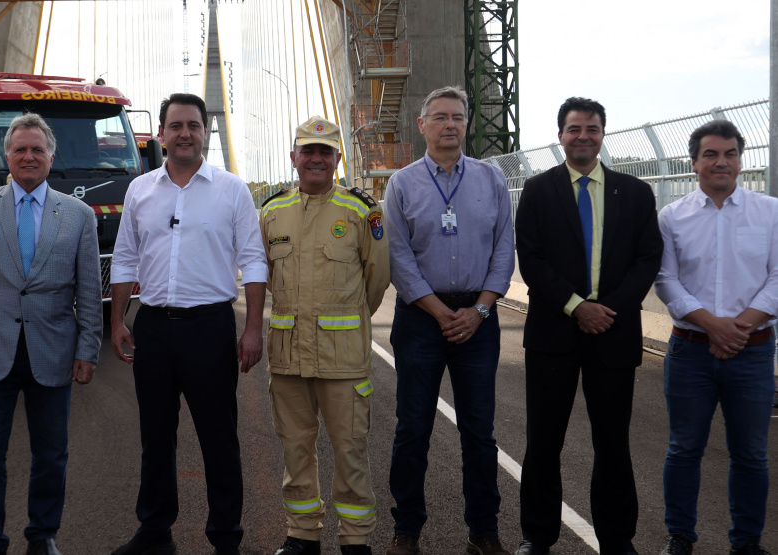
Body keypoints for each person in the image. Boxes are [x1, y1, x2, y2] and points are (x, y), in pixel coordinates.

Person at [108, 93, 267, 555]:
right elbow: (124, 258)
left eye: (193, 125)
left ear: (205, 133)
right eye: (175, 125)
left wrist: (252, 328)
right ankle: (155, 532)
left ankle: (225, 539)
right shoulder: (139, 190)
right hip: (154, 327)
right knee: (156, 438)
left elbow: (254, 261)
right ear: (160, 134)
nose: (184, 133)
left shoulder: (232, 189)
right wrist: (119, 319)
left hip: (209, 328)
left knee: (219, 438)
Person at [0, 113, 102, 555]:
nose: (28, 156)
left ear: (51, 157)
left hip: (53, 352)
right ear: (6, 157)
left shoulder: (78, 215)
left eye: (37, 150)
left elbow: (89, 290)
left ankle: (42, 534)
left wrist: (88, 348)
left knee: (51, 457)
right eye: (20, 149)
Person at [513, 97, 663, 555]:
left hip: (613, 333)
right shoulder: (537, 191)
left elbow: (647, 259)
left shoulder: (635, 193)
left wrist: (606, 309)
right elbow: (531, 260)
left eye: (592, 129)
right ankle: (537, 537)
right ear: (560, 135)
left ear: (603, 134)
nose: (583, 136)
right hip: (553, 335)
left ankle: (617, 540)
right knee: (543, 442)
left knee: (613, 444)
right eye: (574, 129)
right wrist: (578, 306)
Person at [382, 86, 515, 555]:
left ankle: (483, 531)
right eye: (440, 116)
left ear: (466, 124)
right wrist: (441, 312)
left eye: (458, 116)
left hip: (478, 321)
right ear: (422, 125)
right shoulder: (400, 184)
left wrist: (479, 311)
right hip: (421, 319)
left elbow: (504, 249)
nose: (450, 124)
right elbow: (398, 258)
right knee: (412, 428)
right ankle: (407, 530)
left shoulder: (491, 180)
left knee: (479, 432)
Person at [260, 116, 390, 555]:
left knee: (350, 450)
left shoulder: (361, 210)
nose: (316, 158)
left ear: (337, 158)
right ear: (293, 157)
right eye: (308, 150)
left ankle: (355, 541)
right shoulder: (271, 211)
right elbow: (263, 273)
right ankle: (303, 535)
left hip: (342, 358)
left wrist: (346, 319)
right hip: (289, 356)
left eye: (325, 151)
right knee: (295, 449)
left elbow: (376, 279)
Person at [655, 120, 776, 555]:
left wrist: (737, 328)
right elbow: (666, 280)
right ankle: (680, 538)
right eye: (711, 154)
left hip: (753, 353)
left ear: (741, 162)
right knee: (684, 449)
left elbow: (777, 279)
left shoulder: (771, 211)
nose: (721, 161)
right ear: (694, 162)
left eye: (729, 154)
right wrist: (714, 326)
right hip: (690, 351)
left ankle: (746, 543)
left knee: (751, 455)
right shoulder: (672, 216)